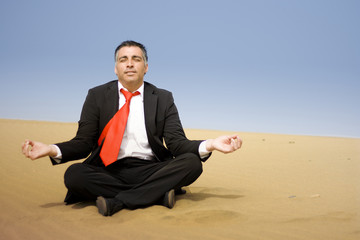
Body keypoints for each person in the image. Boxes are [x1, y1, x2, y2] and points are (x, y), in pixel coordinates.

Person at [22, 40, 242, 216]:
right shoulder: (97, 96)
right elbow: (84, 142)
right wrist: (51, 149)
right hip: (109, 170)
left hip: (150, 169)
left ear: (145, 67)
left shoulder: (163, 98)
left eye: (136, 59)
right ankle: (156, 194)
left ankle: (118, 201)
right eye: (123, 59)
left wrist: (212, 144)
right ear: (116, 68)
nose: (129, 64)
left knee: (192, 163)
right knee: (74, 174)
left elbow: (177, 143)